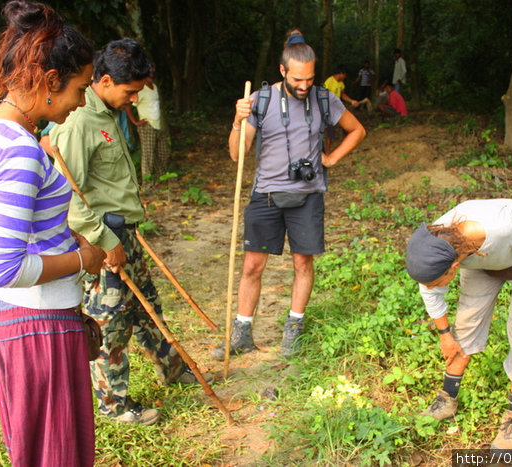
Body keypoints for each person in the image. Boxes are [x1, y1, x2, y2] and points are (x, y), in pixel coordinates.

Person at [0, 1, 106, 465]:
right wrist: (84, 259)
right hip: (37, 326)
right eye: (80, 89)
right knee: (57, 456)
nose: (82, 102)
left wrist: (52, 233)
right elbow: (5, 267)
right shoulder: (22, 151)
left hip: (13, 322)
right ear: (48, 81)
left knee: (36, 451)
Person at [49, 38, 196, 426]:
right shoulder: (79, 121)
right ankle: (114, 406)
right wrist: (106, 243)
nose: (133, 99)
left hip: (125, 234)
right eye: (130, 92)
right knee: (110, 323)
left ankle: (174, 369)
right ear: (107, 80)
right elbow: (68, 197)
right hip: (102, 241)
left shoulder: (108, 113)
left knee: (147, 309)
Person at [212, 39, 366, 360]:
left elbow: (357, 130)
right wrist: (238, 121)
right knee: (253, 265)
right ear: (282, 70)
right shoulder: (260, 99)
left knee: (302, 262)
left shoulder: (323, 98)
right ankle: (242, 332)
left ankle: (293, 329)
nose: (304, 86)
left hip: (307, 196)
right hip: (266, 195)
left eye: (309, 79)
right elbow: (235, 153)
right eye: (297, 79)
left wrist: (332, 158)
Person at [404, 196, 512, 450]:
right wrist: (445, 335)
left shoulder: (502, 225)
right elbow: (431, 292)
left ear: (453, 266)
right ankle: (447, 399)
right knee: (466, 322)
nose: (430, 288)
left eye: (435, 282)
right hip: (485, 259)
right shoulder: (434, 246)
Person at [125, 66, 168, 183]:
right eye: (149, 73)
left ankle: (162, 179)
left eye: (154, 73)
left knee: (162, 153)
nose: (152, 75)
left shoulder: (155, 87)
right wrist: (135, 121)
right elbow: (128, 104)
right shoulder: (141, 89)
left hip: (159, 125)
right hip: (147, 125)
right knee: (148, 156)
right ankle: (147, 184)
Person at [323, 65, 359, 151]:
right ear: (341, 74)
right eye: (345, 75)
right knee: (330, 130)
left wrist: (351, 101)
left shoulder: (341, 84)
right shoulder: (329, 81)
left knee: (346, 126)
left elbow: (343, 95)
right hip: (329, 107)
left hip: (338, 107)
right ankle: (327, 151)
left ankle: (346, 146)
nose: (345, 77)